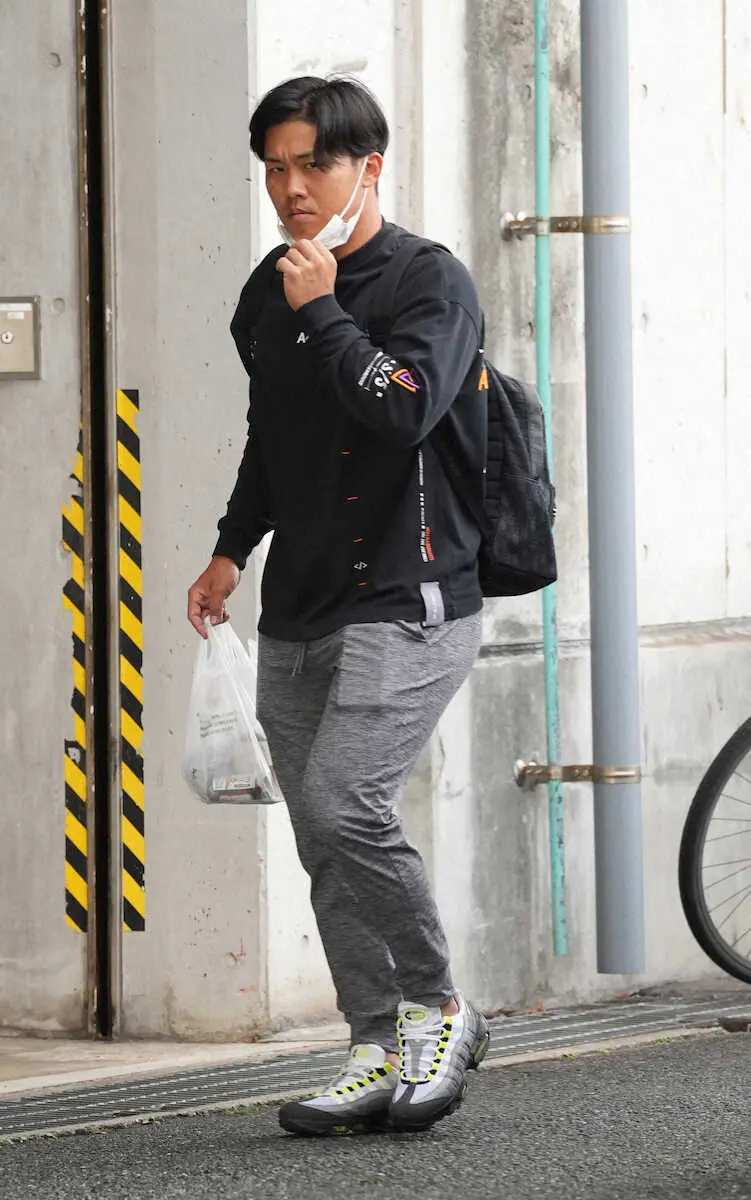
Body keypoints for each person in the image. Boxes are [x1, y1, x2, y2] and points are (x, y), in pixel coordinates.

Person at [187, 75, 489, 1136]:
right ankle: (374, 1041)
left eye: (313, 163)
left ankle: (439, 1010)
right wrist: (231, 549)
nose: (291, 188)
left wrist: (323, 309)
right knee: (322, 832)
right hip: (301, 599)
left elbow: (404, 411)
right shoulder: (263, 291)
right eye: (274, 168)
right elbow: (275, 437)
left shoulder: (426, 280)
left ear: (368, 166)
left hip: (410, 595)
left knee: (344, 801)